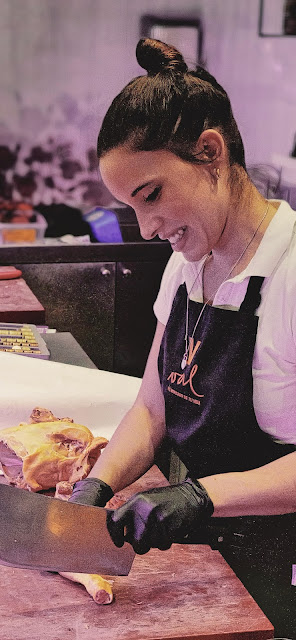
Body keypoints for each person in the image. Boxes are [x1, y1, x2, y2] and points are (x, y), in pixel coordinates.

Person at [69, 38, 296, 638]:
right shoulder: (187, 265)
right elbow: (153, 407)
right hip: (215, 562)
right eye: (130, 207)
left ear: (211, 153)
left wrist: (200, 496)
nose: (147, 228)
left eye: (151, 195)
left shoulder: (291, 273)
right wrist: (98, 485)